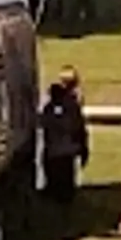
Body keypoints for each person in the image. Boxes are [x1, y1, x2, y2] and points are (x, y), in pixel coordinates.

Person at [37, 67, 89, 204]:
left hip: (54, 152)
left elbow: (43, 125)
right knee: (64, 183)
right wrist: (83, 148)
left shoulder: (49, 108)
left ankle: (57, 200)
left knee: (56, 183)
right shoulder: (72, 106)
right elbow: (79, 129)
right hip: (66, 152)